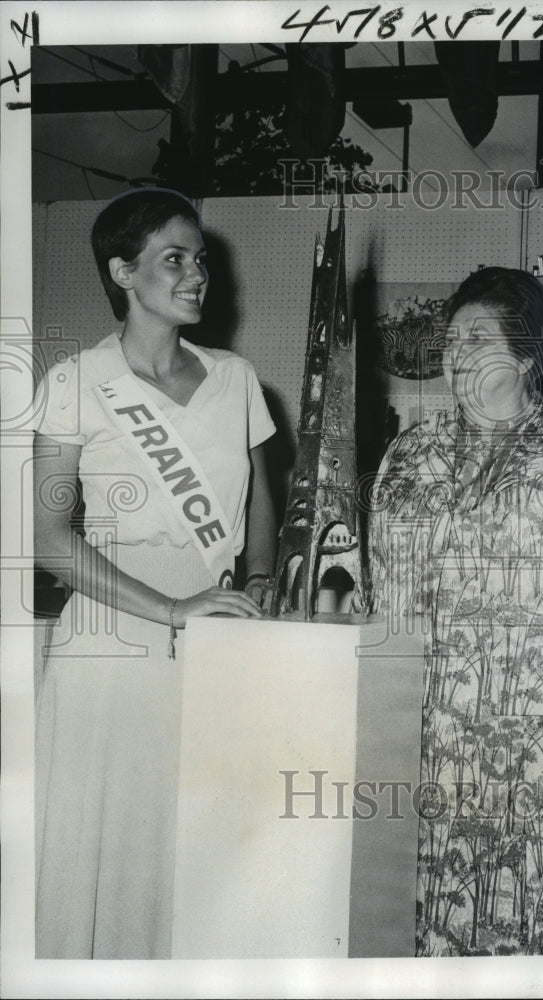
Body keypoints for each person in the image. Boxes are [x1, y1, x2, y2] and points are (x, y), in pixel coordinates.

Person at [33, 188, 277, 958]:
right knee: (108, 838)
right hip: (114, 644)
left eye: (200, 258)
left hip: (219, 636)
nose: (196, 273)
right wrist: (175, 610)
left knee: (203, 840)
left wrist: (260, 592)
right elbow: (44, 537)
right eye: (174, 258)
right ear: (122, 272)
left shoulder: (236, 378)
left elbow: (262, 509)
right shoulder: (75, 382)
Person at [368, 267, 543, 955]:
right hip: (433, 723)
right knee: (432, 908)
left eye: (478, 337)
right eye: (451, 338)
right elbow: (384, 586)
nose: (455, 352)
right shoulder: (409, 455)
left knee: (537, 902)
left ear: (529, 353)